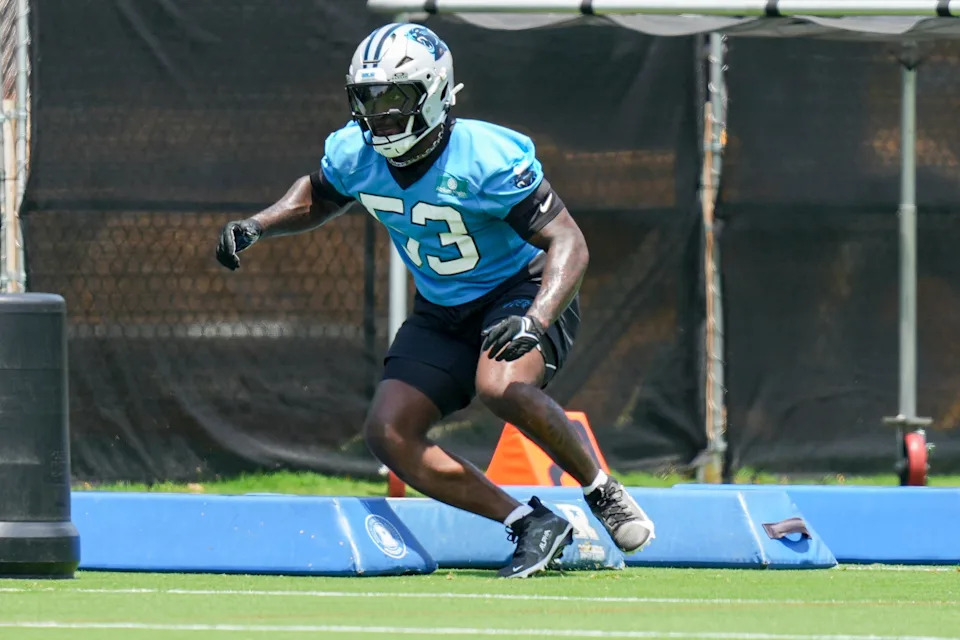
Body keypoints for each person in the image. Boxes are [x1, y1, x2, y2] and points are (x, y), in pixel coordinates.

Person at [216, 22, 655, 578]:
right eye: (368, 100)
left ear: (435, 92)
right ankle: (530, 523)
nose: (380, 116)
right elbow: (319, 195)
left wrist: (535, 317)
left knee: (501, 385)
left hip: (519, 288)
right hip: (443, 307)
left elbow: (568, 240)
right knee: (389, 431)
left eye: (395, 98)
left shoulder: (487, 155)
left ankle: (601, 490)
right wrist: (259, 224)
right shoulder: (357, 151)